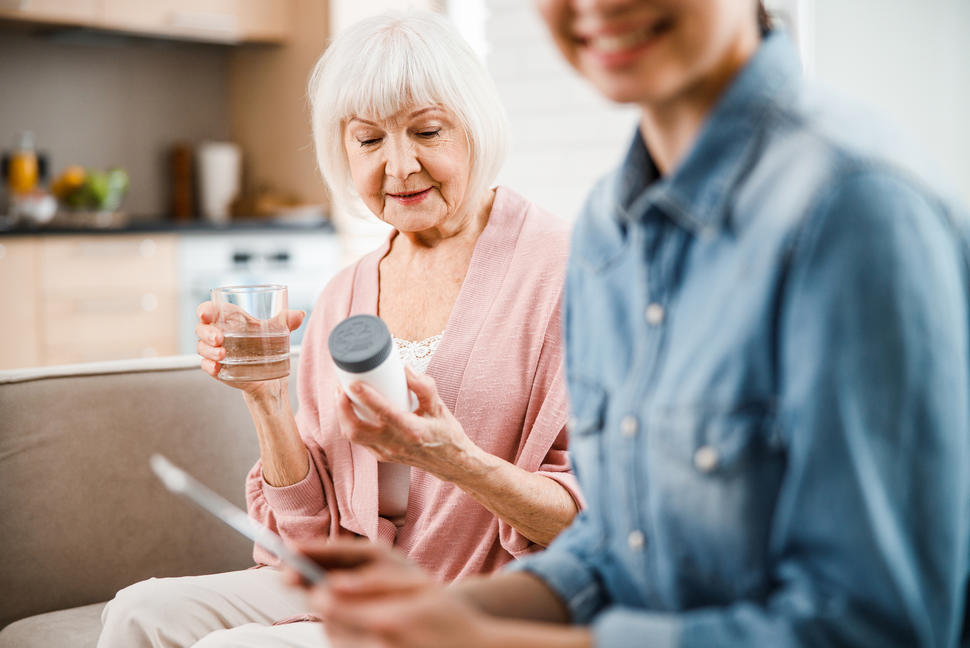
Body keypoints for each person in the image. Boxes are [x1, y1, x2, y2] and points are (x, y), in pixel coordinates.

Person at [284, 0, 970, 646]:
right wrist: (443, 611)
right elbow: (618, 542)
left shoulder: (858, 213)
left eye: (425, 130)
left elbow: (877, 627)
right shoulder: (610, 232)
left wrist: (490, 639)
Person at [96, 10, 582, 648]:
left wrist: (455, 461)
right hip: (356, 587)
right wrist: (268, 398)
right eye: (369, 140)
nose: (400, 166)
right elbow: (309, 540)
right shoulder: (345, 295)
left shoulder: (565, 272)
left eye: (426, 131)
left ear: (475, 127)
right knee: (140, 611)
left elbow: (593, 526)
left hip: (479, 601)